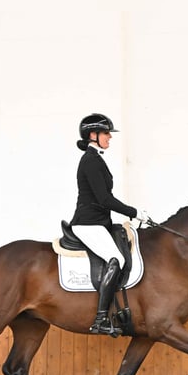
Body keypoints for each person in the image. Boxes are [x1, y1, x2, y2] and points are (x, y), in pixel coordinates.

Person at [70, 113, 149, 336]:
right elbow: (104, 199)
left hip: (99, 223)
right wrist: (134, 212)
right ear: (93, 135)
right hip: (87, 224)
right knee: (117, 259)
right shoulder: (90, 161)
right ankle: (101, 319)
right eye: (106, 133)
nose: (109, 138)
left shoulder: (97, 159)